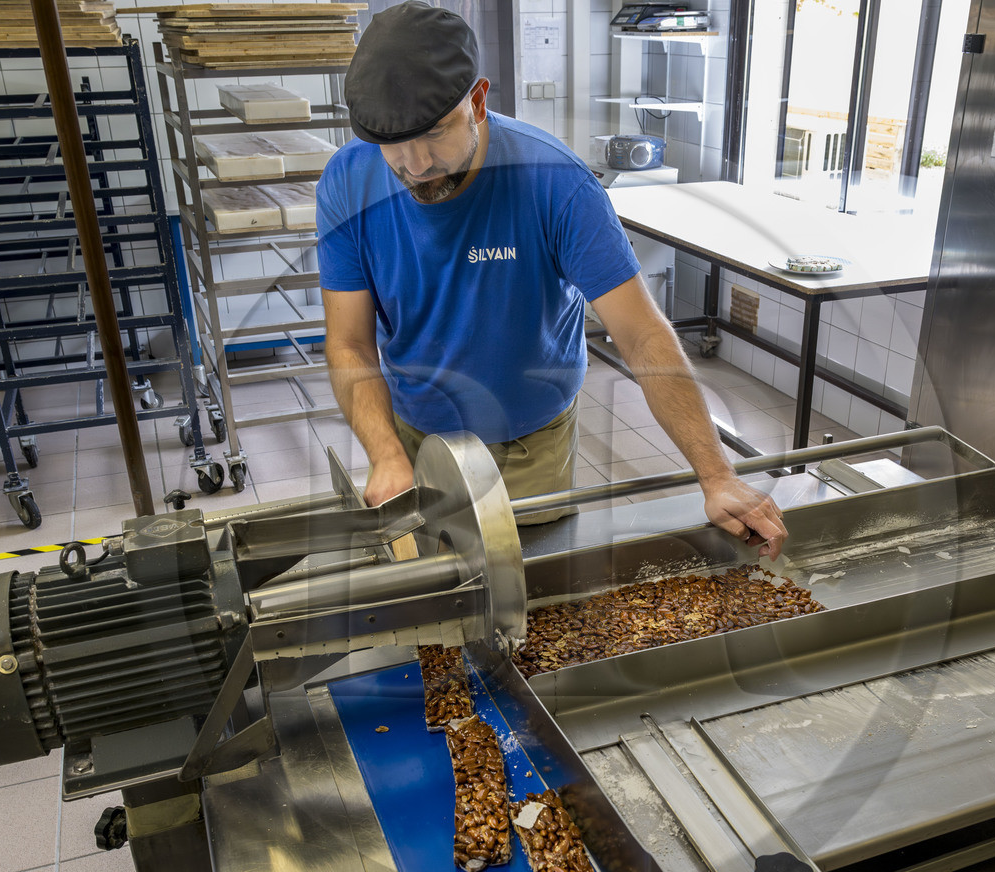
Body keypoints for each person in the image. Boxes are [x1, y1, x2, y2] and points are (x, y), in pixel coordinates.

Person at [316, 0, 787, 557]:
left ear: (479, 101)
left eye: (437, 134)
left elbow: (641, 335)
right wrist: (386, 453)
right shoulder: (347, 185)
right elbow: (349, 342)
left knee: (531, 606)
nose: (416, 164)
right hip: (415, 434)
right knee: (438, 603)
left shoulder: (555, 183)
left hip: (529, 443)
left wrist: (716, 475)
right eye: (394, 145)